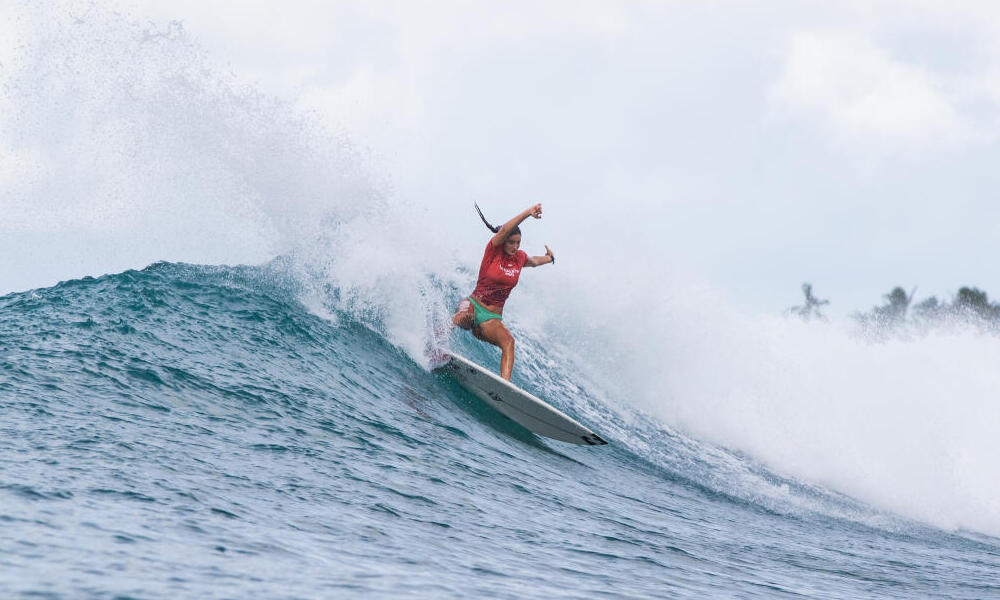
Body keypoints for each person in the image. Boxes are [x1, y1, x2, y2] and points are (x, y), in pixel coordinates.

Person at [452, 203, 555, 380]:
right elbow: (506, 228)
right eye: (511, 242)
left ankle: (504, 388)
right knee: (463, 317)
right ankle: (431, 342)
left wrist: (549, 258)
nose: (515, 246)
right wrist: (528, 213)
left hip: (491, 318)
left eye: (518, 243)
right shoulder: (493, 250)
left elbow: (533, 261)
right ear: (503, 240)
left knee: (509, 342)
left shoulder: (519, 258)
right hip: (473, 304)